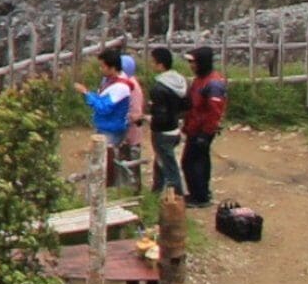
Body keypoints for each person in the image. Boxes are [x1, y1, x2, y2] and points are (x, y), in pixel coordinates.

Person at [86, 53, 140, 189]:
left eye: (103, 66)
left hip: (111, 128)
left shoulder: (121, 87)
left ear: (113, 67)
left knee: (107, 160)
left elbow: (104, 107)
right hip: (107, 126)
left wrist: (87, 94)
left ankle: (107, 188)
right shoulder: (112, 82)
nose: (101, 69)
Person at [187, 47, 228, 207]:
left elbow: (215, 111)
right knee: (199, 160)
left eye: (193, 62)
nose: (191, 65)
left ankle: (200, 197)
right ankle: (200, 192)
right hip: (195, 127)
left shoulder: (213, 83)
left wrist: (206, 133)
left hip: (202, 130)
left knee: (192, 162)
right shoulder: (200, 79)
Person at [147, 46, 190, 196]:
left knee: (169, 166)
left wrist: (148, 116)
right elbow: (186, 105)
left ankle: (178, 197)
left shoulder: (158, 89)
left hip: (162, 132)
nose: (151, 65)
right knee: (161, 161)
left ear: (160, 65)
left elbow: (160, 116)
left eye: (153, 62)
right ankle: (156, 190)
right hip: (175, 128)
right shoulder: (180, 81)